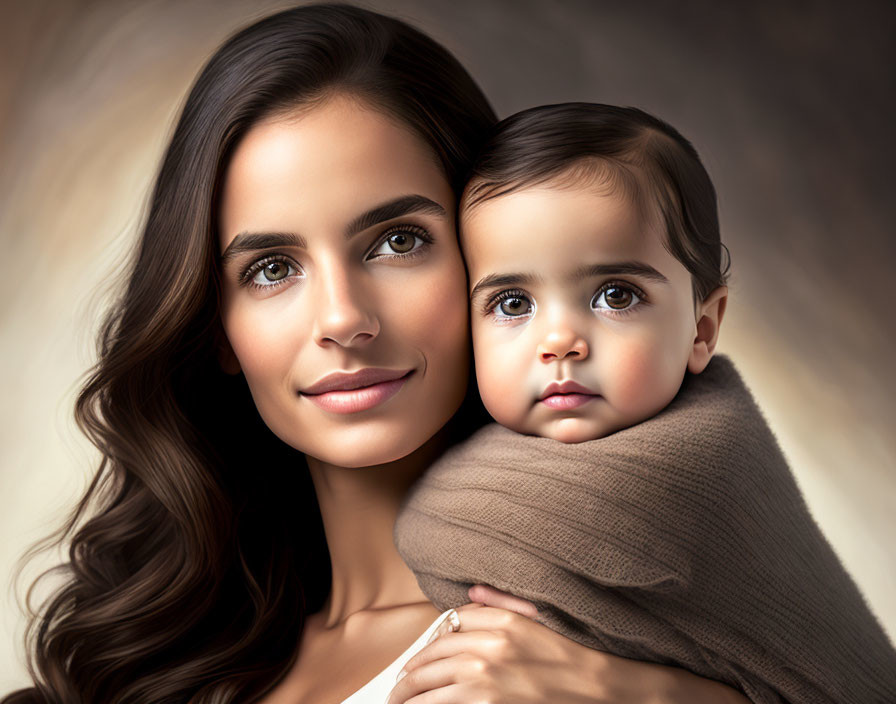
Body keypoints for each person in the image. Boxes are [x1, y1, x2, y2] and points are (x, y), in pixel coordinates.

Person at [3, 7, 755, 704]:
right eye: (271, 269)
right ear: (216, 330)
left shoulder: (606, 641)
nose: (343, 318)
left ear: (490, 258)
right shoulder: (170, 656)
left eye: (399, 241)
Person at [394, 103, 896, 703]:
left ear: (702, 330)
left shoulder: (710, 472)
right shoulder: (463, 466)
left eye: (615, 294)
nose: (559, 342)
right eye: (511, 304)